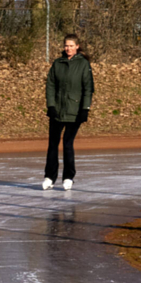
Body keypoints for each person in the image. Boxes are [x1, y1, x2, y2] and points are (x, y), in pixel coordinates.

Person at [43, 34, 94, 191]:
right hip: (57, 111)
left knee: (67, 143)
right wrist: (51, 106)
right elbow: (50, 85)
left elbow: (88, 88)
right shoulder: (58, 63)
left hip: (75, 111)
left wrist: (85, 109)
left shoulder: (84, 65)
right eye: (66, 45)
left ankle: (68, 177)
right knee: (53, 144)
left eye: (71, 46)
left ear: (77, 46)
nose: (68, 48)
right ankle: (49, 177)